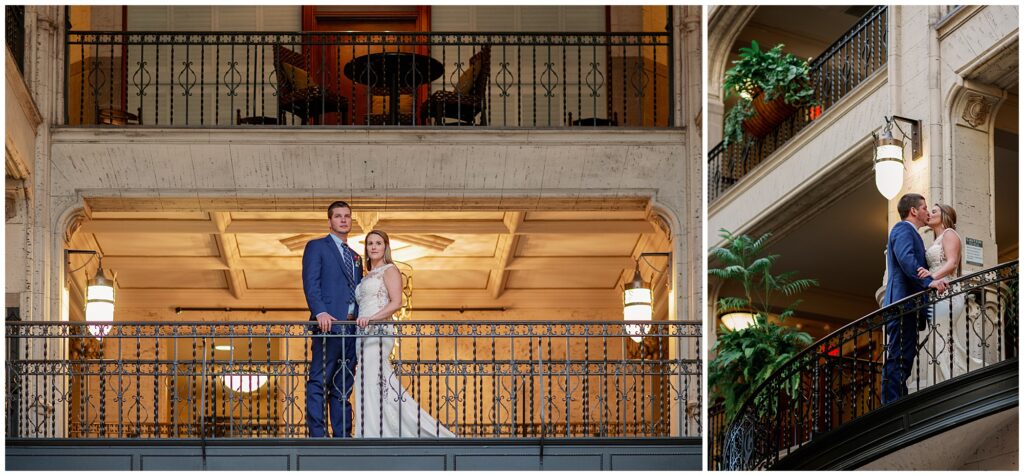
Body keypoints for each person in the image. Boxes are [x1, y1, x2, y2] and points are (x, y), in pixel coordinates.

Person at [352, 230, 455, 437]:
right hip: (361, 333)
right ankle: (371, 430)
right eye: (370, 243)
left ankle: (377, 433)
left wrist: (372, 319)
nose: (373, 247)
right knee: (366, 380)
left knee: (373, 379)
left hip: (378, 330)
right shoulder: (365, 277)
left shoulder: (390, 270)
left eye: (378, 243)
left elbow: (397, 303)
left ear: (385, 247)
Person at [303, 201, 362, 437]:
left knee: (343, 386)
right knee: (319, 381)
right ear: (330, 221)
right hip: (328, 326)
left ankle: (342, 436)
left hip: (351, 328)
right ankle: (318, 435)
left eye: (347, 216)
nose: (343, 220)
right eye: (338, 216)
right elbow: (311, 282)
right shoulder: (316, 247)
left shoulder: (355, 256)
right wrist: (319, 312)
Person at [881, 193, 947, 404]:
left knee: (904, 356)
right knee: (899, 357)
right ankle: (891, 406)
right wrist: (928, 283)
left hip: (908, 305)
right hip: (902, 304)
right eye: (925, 208)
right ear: (914, 211)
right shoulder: (902, 230)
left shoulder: (913, 233)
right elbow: (906, 259)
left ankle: (897, 401)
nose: (927, 212)